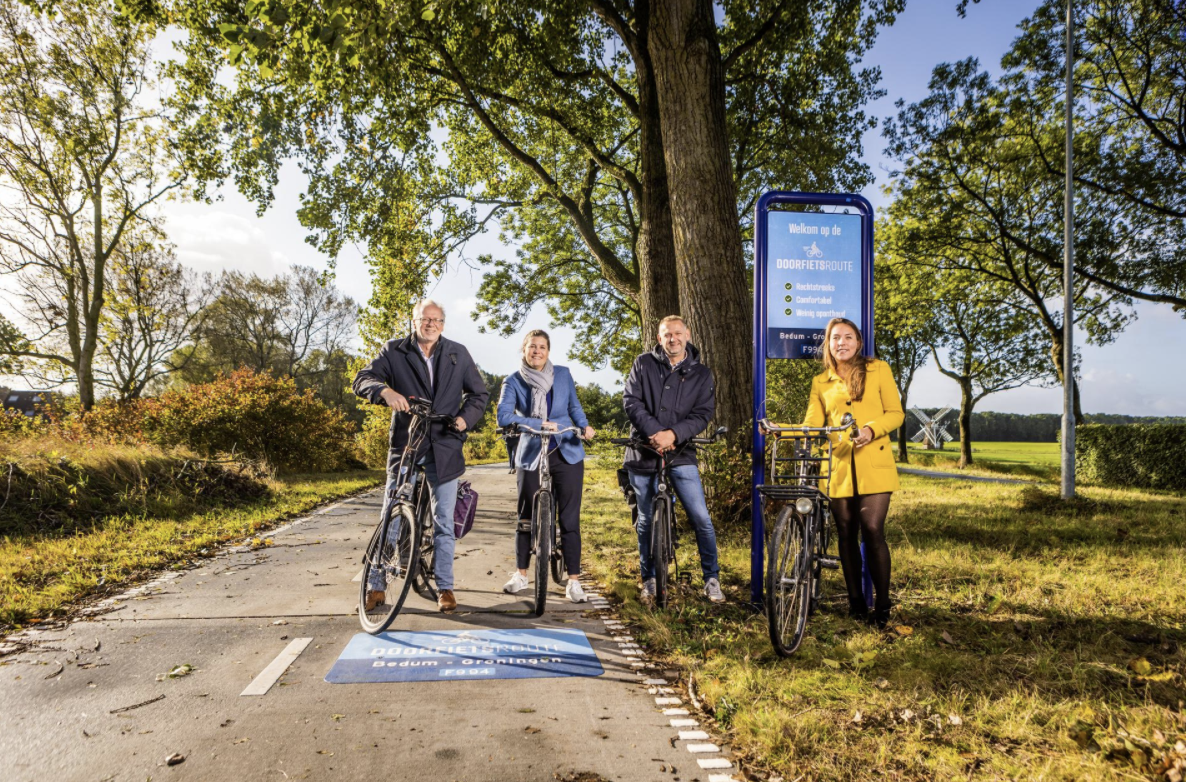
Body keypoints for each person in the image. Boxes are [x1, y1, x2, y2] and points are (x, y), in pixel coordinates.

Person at [352, 299, 489, 613]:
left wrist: (466, 418)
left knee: (444, 522)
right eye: (425, 319)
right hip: (407, 443)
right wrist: (384, 392)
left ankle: (445, 587)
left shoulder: (458, 353)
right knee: (392, 514)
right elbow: (362, 380)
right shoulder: (394, 350)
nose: (431, 324)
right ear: (413, 321)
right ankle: (376, 585)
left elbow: (479, 394)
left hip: (445, 444)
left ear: (443, 323)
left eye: (437, 320)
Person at [802, 317, 904, 628]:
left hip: (875, 462)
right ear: (828, 344)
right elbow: (812, 423)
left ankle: (883, 606)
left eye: (848, 337)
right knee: (845, 534)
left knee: (872, 529)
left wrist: (872, 431)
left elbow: (896, 413)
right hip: (838, 466)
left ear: (858, 342)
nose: (841, 342)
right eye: (835, 338)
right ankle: (856, 603)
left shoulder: (878, 369)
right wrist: (785, 431)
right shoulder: (821, 382)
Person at [622, 315, 724, 605]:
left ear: (687, 335)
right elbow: (631, 401)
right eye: (667, 335)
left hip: (681, 453)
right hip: (644, 451)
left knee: (701, 518)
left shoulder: (701, 373)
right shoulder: (643, 363)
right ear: (659, 338)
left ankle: (711, 578)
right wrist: (655, 432)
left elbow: (703, 413)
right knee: (644, 519)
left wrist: (674, 435)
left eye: (677, 334)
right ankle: (650, 580)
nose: (673, 339)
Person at [497, 330, 596, 603]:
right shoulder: (513, 381)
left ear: (548, 351)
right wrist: (537, 423)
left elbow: (574, 408)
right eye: (532, 347)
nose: (537, 351)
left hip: (566, 450)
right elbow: (504, 415)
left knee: (568, 518)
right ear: (524, 350)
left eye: (542, 347)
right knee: (526, 517)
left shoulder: (563, 374)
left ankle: (573, 582)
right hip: (532, 450)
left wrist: (584, 426)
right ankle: (521, 574)